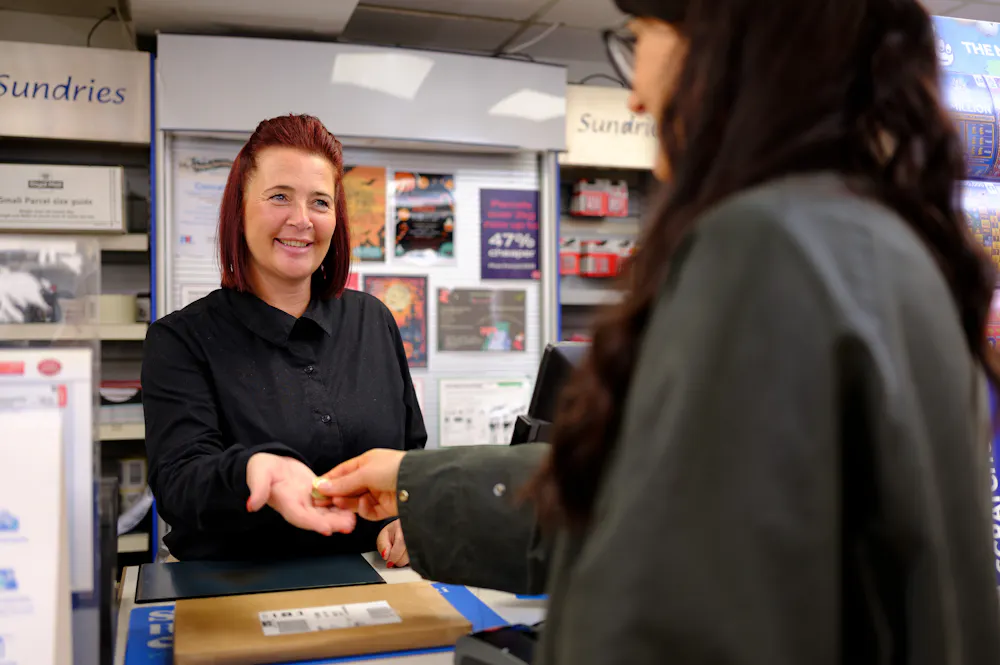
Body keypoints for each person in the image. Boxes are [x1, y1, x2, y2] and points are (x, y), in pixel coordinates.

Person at [314, 0, 1000, 662]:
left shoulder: (765, 247)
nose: (635, 94)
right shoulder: (890, 243)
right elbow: (648, 496)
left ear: (727, 41)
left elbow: (669, 610)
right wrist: (417, 481)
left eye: (641, 36)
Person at [142, 114, 425, 564]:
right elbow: (178, 482)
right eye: (279, 197)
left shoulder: (373, 320)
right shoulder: (181, 339)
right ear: (240, 208)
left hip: (377, 581)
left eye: (319, 202)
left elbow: (410, 453)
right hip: (233, 592)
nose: (301, 220)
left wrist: (409, 514)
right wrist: (254, 470)